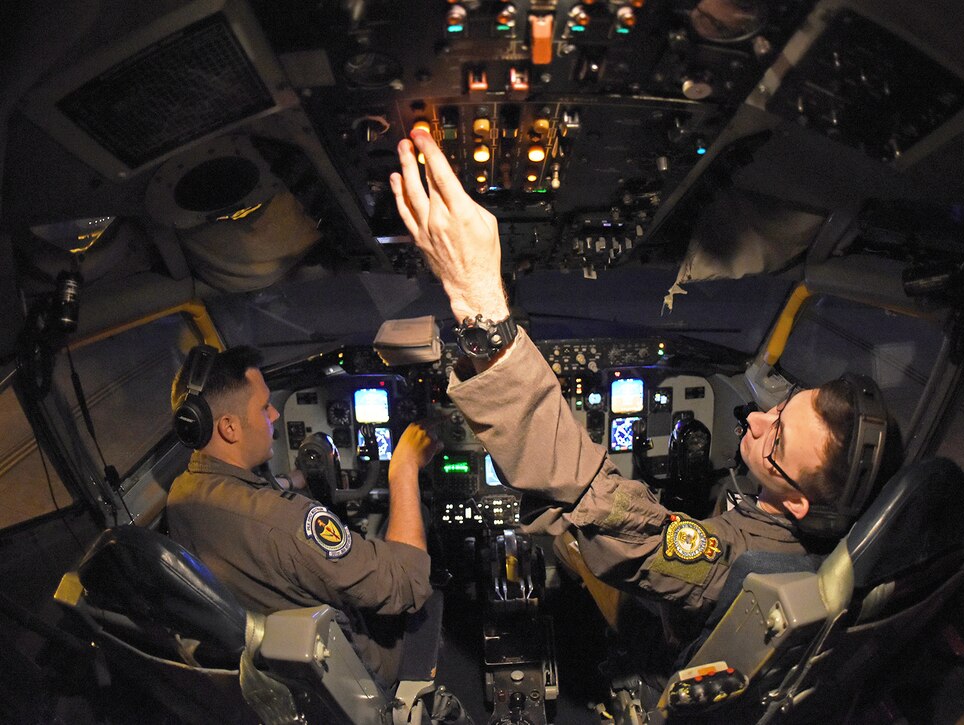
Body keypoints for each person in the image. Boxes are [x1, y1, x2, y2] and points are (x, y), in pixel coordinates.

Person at [389, 129, 905, 665]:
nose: (755, 419)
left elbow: (608, 511)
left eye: (777, 438)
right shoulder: (797, 537)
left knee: (571, 538)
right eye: (781, 406)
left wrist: (481, 309)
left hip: (659, 635)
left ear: (799, 502)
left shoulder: (735, 568)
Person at [166, 345, 437, 686]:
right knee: (414, 532)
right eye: (265, 407)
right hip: (351, 673)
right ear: (229, 428)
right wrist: (404, 469)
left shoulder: (182, 494)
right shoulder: (288, 522)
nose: (275, 416)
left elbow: (250, 498)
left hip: (274, 670)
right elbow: (407, 583)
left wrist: (298, 478)